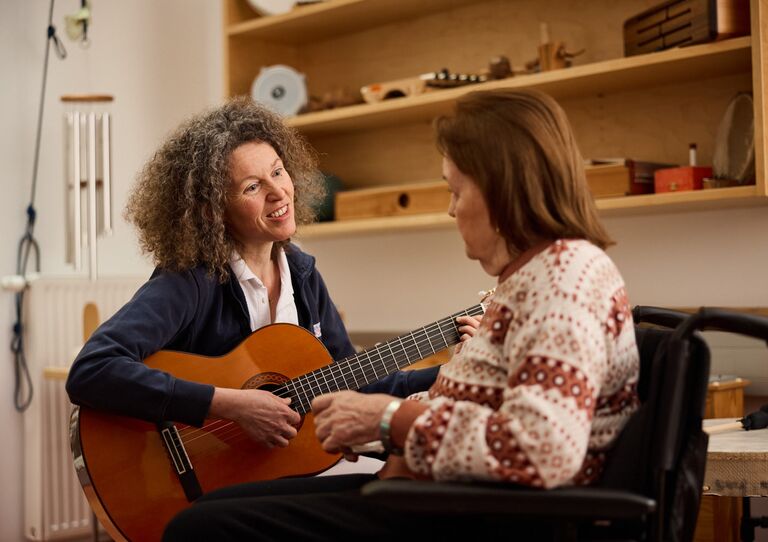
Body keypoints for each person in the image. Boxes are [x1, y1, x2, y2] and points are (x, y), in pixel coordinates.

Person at [162, 88, 640, 541]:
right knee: (205, 513)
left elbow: (543, 449)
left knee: (200, 530)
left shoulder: (563, 280)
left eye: (456, 191)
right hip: (431, 495)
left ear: (501, 190)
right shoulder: (535, 277)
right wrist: (373, 426)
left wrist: (389, 418)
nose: (452, 211)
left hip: (467, 516)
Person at [65, 98, 465, 453]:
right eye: (253, 186)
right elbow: (92, 369)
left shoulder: (303, 276)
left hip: (267, 474)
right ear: (211, 211)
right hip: (197, 478)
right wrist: (227, 404)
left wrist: (449, 372)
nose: (278, 193)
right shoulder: (189, 282)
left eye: (278, 172)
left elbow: (350, 383)